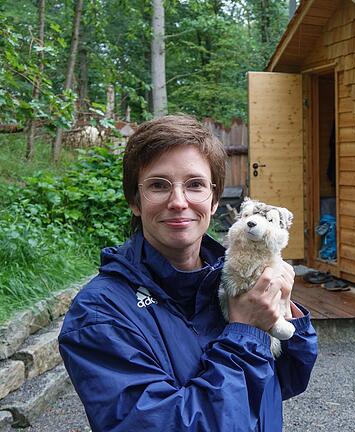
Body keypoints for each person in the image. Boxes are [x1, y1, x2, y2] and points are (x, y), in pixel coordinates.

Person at [58, 114, 317, 431]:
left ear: (215, 200)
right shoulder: (100, 314)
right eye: (158, 185)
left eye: (195, 185)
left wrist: (286, 314)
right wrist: (246, 334)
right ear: (135, 201)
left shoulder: (233, 282)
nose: (178, 202)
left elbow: (287, 380)